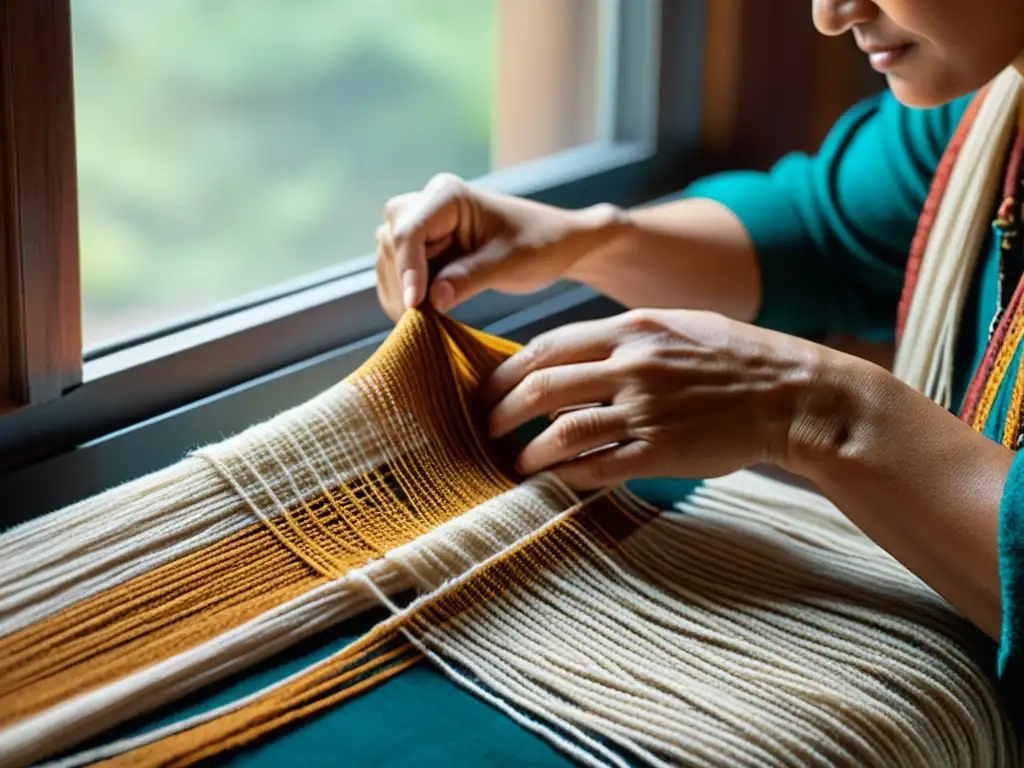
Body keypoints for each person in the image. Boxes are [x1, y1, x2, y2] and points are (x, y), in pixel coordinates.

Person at [376, 0, 1024, 724]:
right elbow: (818, 232)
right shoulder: (996, 111)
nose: (831, 15)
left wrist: (807, 409)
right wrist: (583, 237)